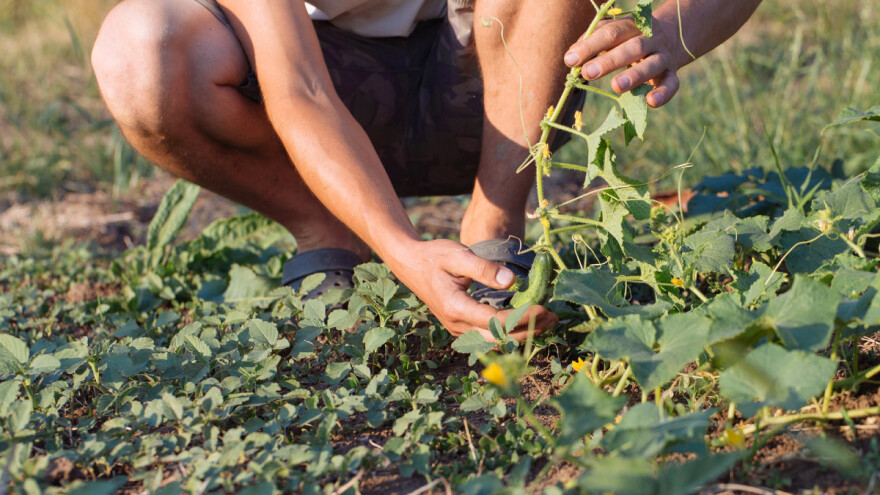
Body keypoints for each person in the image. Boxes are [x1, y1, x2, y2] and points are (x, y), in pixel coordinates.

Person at [91, 0, 761, 342]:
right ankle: (329, 227)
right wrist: (401, 248)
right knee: (139, 55)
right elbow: (300, 87)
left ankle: (493, 229)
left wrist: (670, 32)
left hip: (496, 92)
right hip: (321, 100)